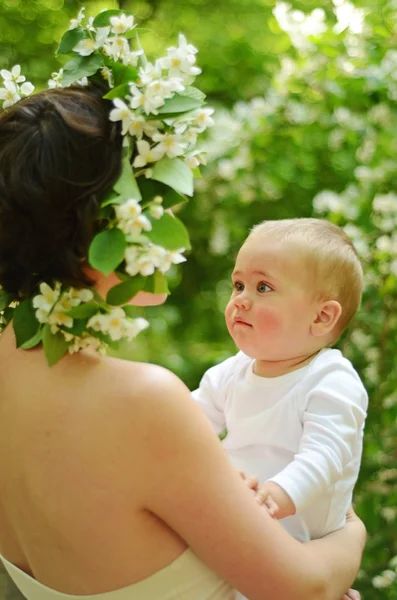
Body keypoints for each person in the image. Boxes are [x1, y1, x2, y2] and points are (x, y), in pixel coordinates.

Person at [0, 86, 366, 600]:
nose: (178, 232)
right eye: (158, 203)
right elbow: (306, 588)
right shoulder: (141, 402)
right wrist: (352, 530)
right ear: (99, 229)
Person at [192, 218, 368, 547]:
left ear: (321, 317)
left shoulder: (331, 380)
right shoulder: (231, 372)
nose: (241, 300)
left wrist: (272, 497)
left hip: (295, 541)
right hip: (234, 519)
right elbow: (185, 424)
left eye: (263, 288)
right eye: (239, 285)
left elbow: (324, 457)